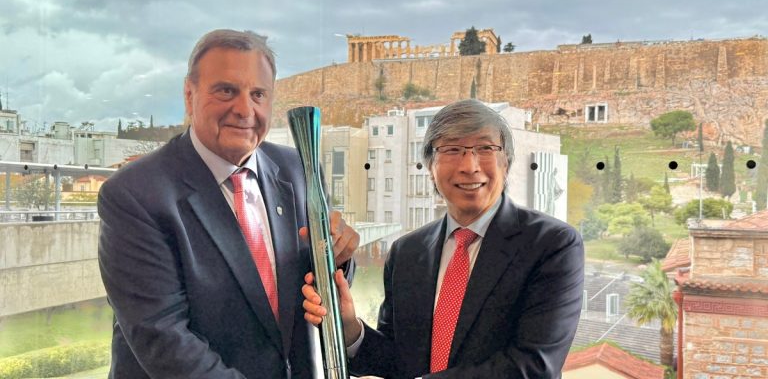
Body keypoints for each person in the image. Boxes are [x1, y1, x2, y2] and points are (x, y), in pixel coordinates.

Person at [98, 29, 359, 379]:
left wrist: (338, 259)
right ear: (189, 95)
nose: (245, 109)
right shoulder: (134, 194)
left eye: (258, 94)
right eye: (226, 91)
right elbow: (165, 342)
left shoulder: (297, 168)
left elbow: (312, 287)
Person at [303, 99, 584, 378]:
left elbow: (533, 367)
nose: (469, 166)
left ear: (506, 162)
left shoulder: (552, 244)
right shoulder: (407, 252)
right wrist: (349, 329)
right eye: (452, 149)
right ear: (430, 167)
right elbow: (397, 361)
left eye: (485, 148)